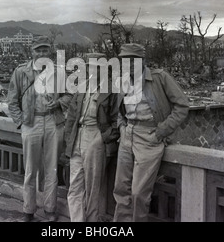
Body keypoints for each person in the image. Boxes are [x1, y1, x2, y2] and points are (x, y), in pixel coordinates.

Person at [113, 43, 189, 222]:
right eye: (124, 61)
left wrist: (161, 131)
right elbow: (118, 110)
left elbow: (182, 106)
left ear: (143, 61)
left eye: (133, 61)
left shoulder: (159, 77)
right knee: (121, 188)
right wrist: (122, 127)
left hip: (149, 136)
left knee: (139, 193)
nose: (129, 65)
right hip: (128, 134)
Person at [7, 36, 71, 222]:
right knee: (30, 169)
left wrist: (58, 103)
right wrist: (21, 122)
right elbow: (11, 101)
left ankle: (50, 209)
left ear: (49, 52)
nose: (42, 53)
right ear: (32, 52)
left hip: (52, 122)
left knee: (51, 169)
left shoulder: (59, 72)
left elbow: (69, 95)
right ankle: (29, 209)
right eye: (38, 50)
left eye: (45, 50)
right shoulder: (21, 72)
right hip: (31, 122)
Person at [63, 53, 120, 222]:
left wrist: (103, 138)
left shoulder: (111, 90)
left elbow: (118, 122)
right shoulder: (82, 87)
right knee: (74, 186)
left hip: (95, 136)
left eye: (98, 66)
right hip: (78, 136)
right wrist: (68, 139)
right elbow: (72, 117)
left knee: (93, 188)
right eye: (90, 66)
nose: (93, 70)